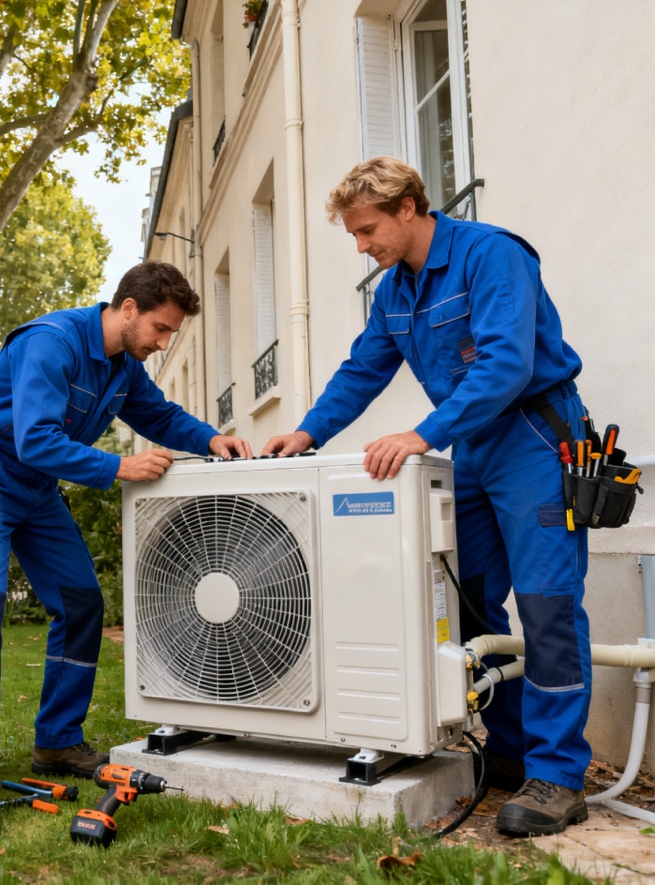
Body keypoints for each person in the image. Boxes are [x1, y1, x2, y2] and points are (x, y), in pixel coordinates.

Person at [263, 157, 591, 837]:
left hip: (533, 434)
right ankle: (509, 749)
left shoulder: (490, 255)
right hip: (471, 445)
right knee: (467, 597)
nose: (361, 245)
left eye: (367, 229)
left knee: (547, 603)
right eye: (353, 234)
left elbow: (508, 363)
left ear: (408, 207)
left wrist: (422, 433)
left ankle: (559, 776)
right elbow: (363, 370)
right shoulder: (393, 293)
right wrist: (305, 431)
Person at [0, 261, 253, 839]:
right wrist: (119, 466)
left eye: (170, 335)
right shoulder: (50, 344)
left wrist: (211, 439)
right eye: (160, 329)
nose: (162, 344)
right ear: (127, 309)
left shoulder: (123, 367)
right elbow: (34, 438)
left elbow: (157, 414)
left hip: (36, 486)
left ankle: (56, 742)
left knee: (82, 601)